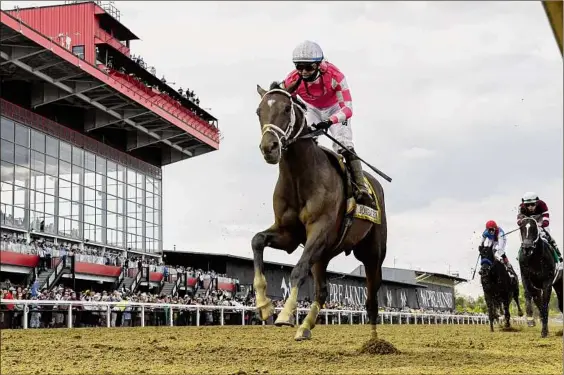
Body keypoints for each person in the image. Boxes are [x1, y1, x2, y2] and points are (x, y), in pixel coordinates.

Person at [277, 40, 372, 204]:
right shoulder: (292, 79)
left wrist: (329, 122)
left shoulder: (336, 77)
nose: (304, 72)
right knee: (302, 141)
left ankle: (361, 188)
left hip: (336, 109)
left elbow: (348, 110)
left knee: (344, 145)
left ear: (319, 65)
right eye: (299, 66)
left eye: (309, 67)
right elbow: (284, 98)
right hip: (312, 109)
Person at [517, 192, 563, 281]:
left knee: (547, 236)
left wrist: (540, 224)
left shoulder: (542, 205)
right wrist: (524, 223)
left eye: (532, 204)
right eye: (528, 205)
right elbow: (519, 220)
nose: (530, 207)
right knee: (525, 238)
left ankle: (558, 256)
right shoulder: (521, 207)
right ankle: (520, 254)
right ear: (524, 204)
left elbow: (546, 219)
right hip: (528, 223)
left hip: (540, 222)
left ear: (537, 202)